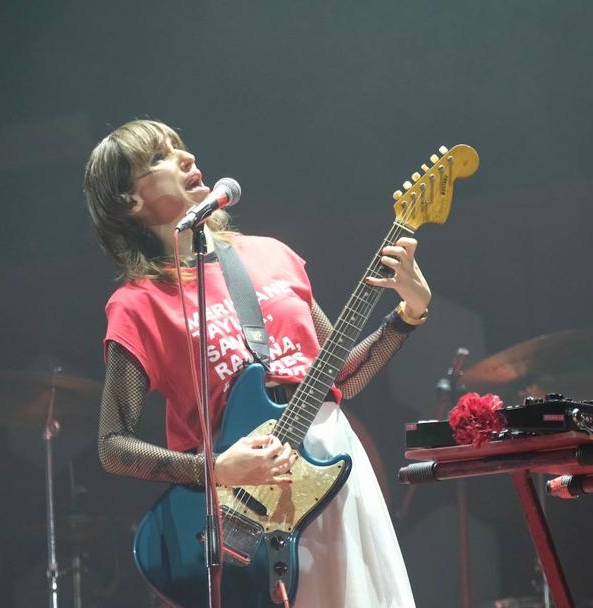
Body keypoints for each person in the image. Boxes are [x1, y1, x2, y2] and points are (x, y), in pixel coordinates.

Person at [83, 119, 430, 607]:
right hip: (244, 509)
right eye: (161, 156)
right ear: (129, 201)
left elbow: (342, 376)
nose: (186, 158)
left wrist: (408, 313)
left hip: (332, 466)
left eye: (182, 147)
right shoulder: (137, 303)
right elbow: (113, 446)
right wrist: (216, 469)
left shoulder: (271, 255)